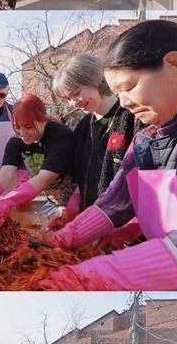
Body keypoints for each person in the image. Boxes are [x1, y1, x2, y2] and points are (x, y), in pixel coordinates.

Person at [45, 20, 177, 290]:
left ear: (176, 65)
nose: (124, 103)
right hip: (170, 275)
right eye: (118, 93)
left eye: (129, 87)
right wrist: (59, 241)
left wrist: (82, 279)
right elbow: (116, 202)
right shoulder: (146, 139)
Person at [51, 53, 139, 219]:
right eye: (68, 99)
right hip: (90, 219)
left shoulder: (132, 116)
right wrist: (76, 196)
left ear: (96, 79)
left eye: (76, 93)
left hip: (125, 221)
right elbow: (80, 172)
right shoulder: (83, 127)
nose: (74, 103)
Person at [0, 94, 75, 224]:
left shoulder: (60, 136)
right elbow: (6, 172)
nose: (22, 133)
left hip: (80, 197)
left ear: (43, 120)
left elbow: (44, 178)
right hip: (58, 202)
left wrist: (8, 201)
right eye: (17, 127)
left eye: (28, 127)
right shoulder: (16, 142)